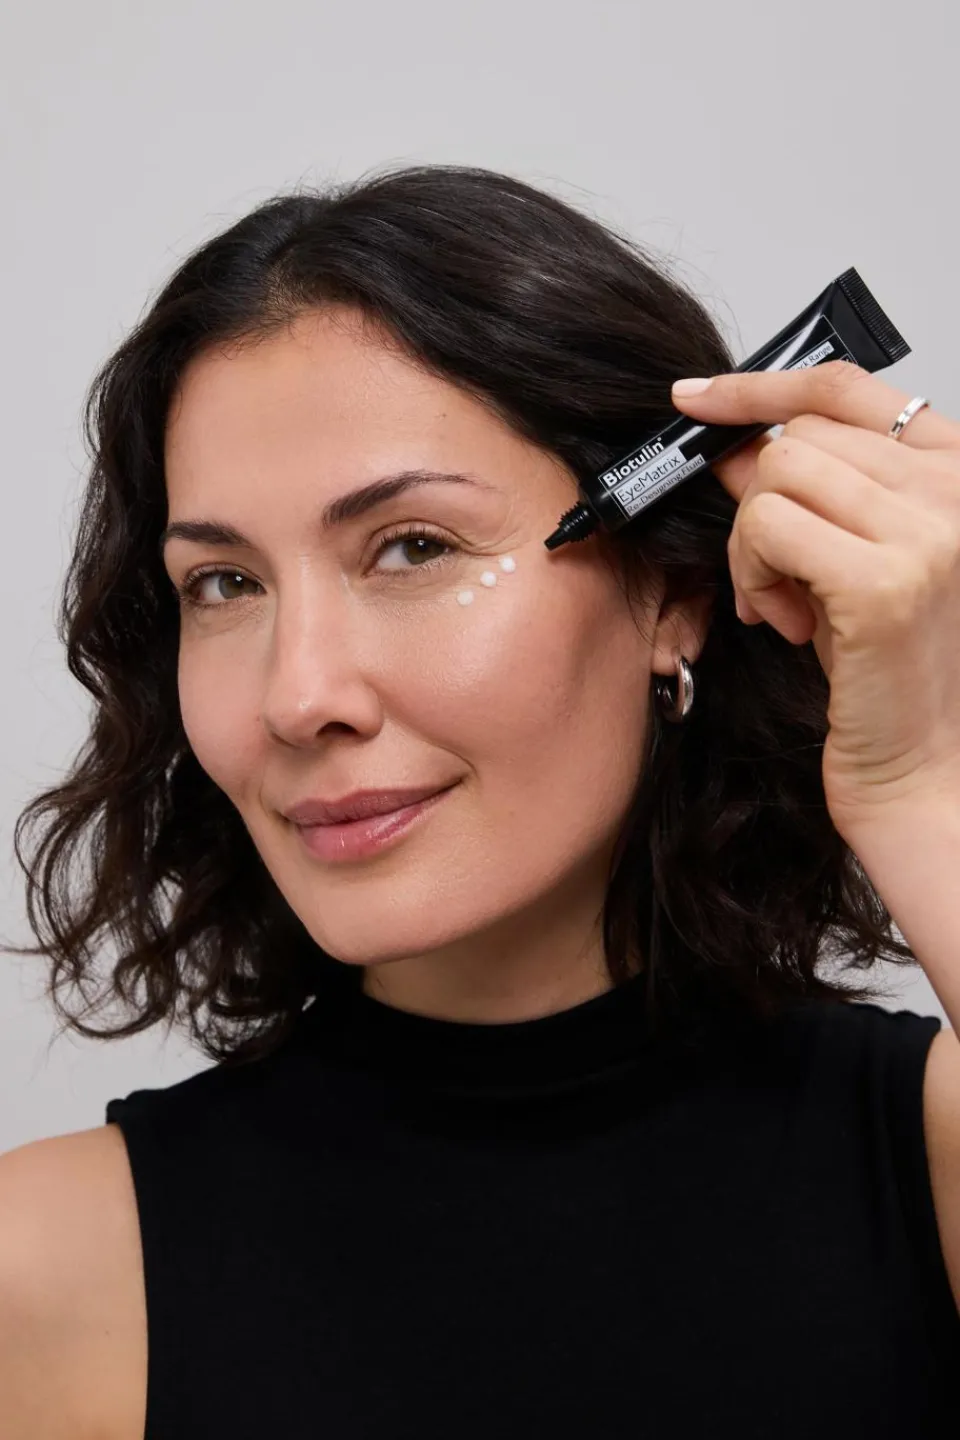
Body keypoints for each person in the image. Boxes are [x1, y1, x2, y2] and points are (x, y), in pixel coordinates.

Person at [1, 163, 958, 1439]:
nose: (299, 696)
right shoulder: (47, 1274)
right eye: (223, 583)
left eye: (413, 547)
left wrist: (924, 787)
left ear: (672, 597)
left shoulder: (931, 1166)